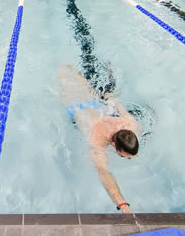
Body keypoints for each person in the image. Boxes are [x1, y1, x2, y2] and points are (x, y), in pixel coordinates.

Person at [59, 64, 139, 213]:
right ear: (114, 145)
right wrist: (122, 204)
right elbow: (104, 172)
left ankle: (67, 66)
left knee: (82, 85)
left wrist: (109, 96)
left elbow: (115, 101)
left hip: (94, 104)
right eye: (124, 155)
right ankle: (62, 68)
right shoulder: (97, 141)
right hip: (75, 108)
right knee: (65, 85)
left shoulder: (130, 123)